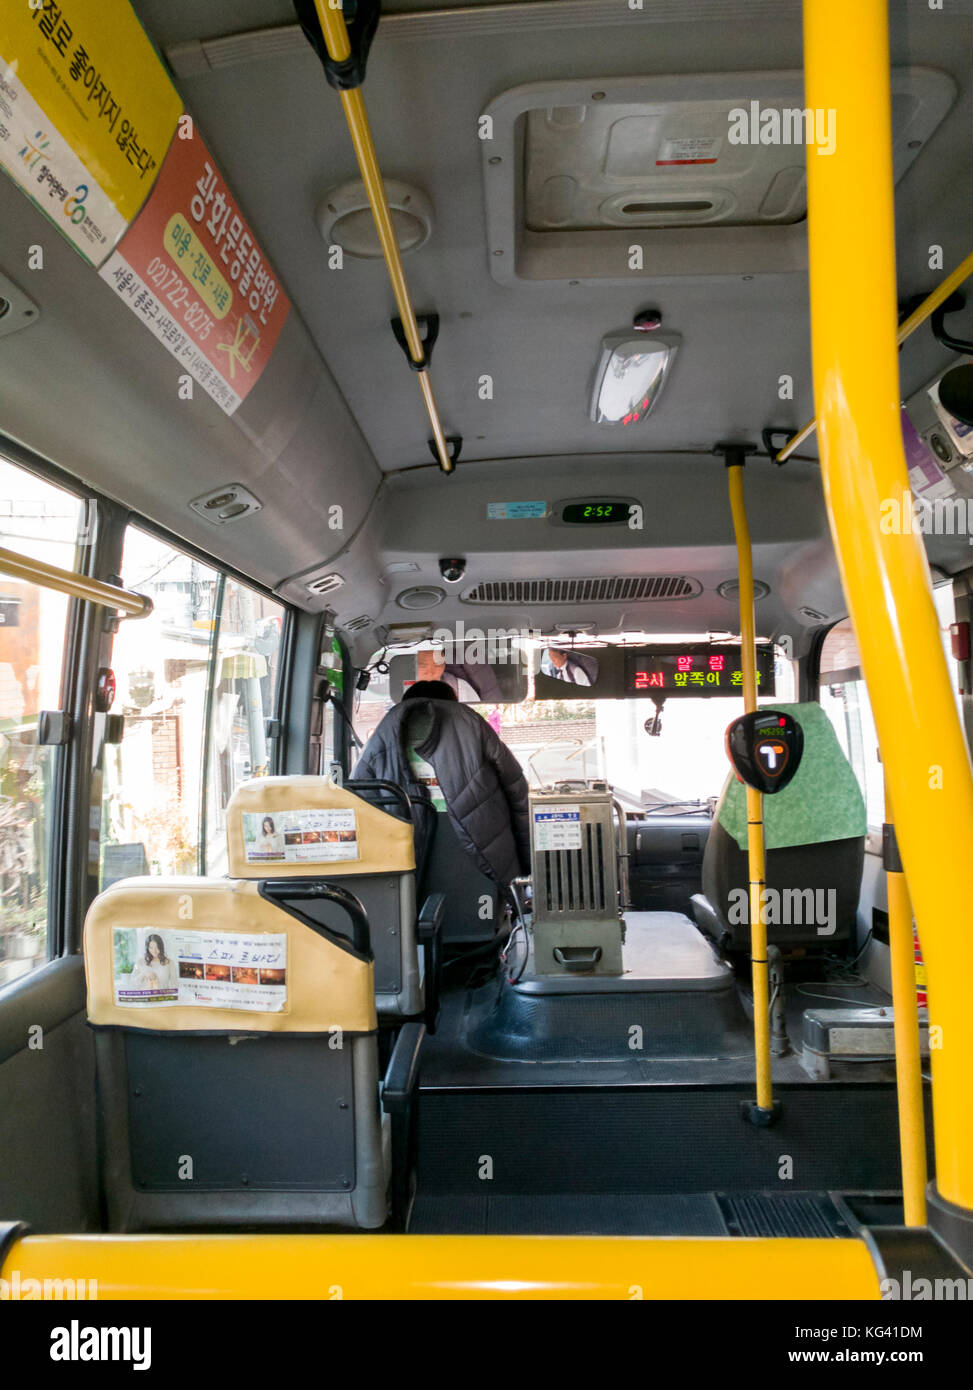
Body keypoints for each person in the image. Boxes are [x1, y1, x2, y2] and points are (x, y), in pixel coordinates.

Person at [352, 679, 530, 887]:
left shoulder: (385, 731)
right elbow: (516, 789)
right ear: (453, 703)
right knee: (482, 910)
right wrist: (526, 862)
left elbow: (359, 797)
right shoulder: (471, 723)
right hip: (482, 840)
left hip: (403, 844)